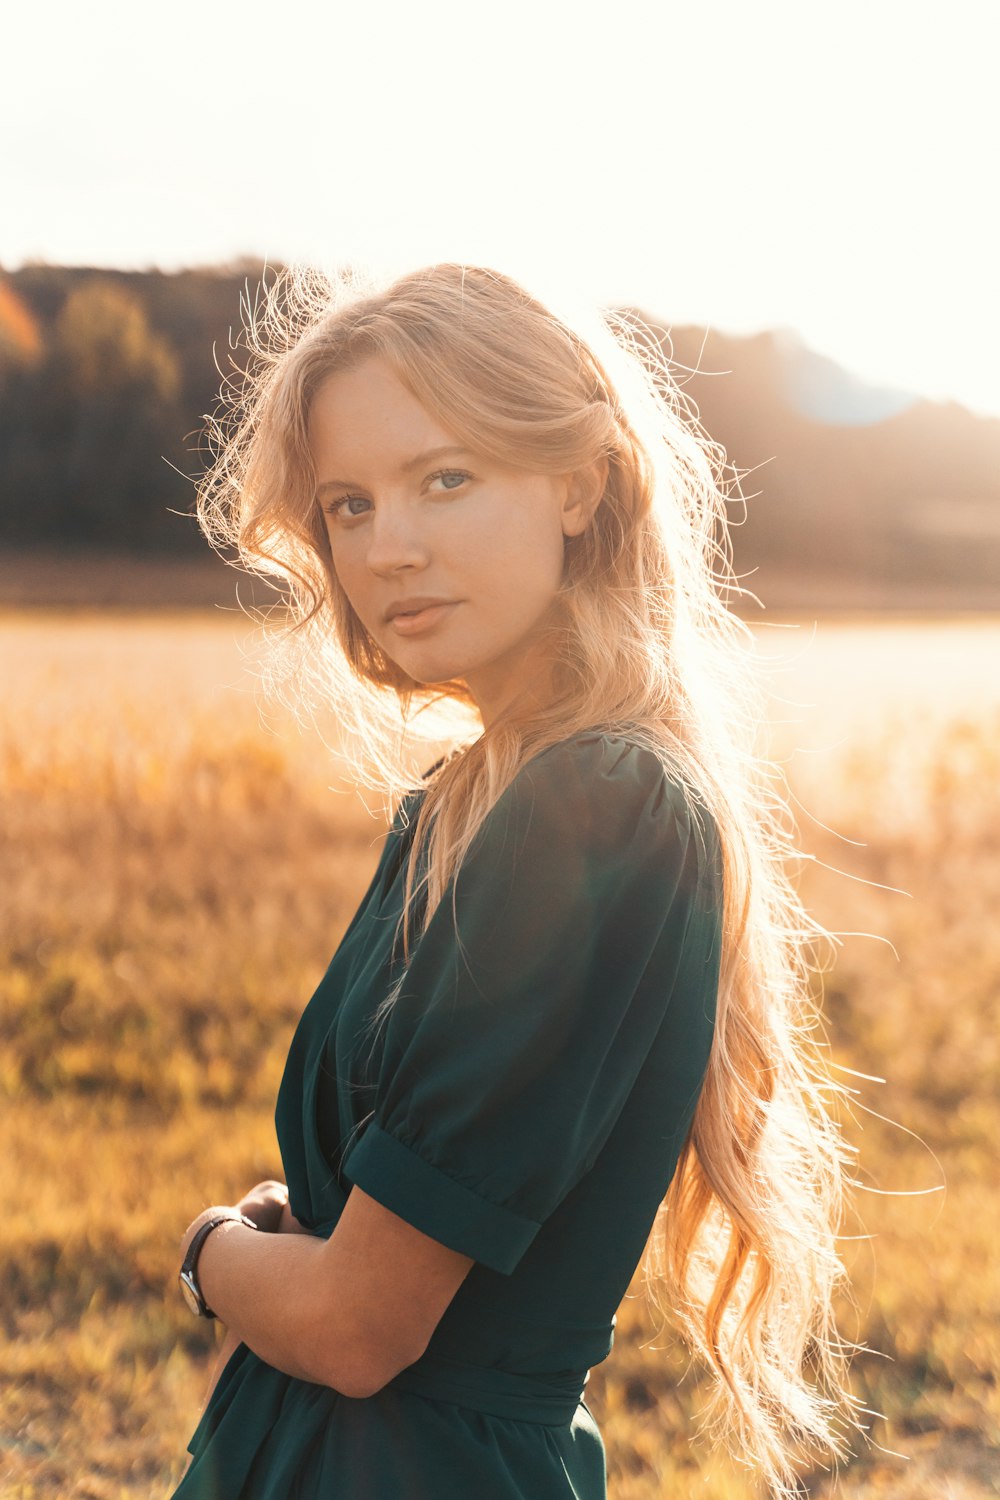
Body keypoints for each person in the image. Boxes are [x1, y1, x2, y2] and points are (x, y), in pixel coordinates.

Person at [171, 263, 856, 1499]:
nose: (392, 548)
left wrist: (212, 1251)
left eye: (446, 479)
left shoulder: (598, 807)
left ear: (580, 483)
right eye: (348, 505)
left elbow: (355, 1327)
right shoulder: (458, 806)